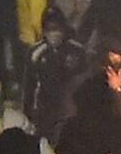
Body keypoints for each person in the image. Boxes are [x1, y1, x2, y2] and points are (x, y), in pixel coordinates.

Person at [22, 10, 87, 142]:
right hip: (44, 109)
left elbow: (85, 81)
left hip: (69, 108)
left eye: (58, 29)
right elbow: (29, 85)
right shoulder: (36, 52)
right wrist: (27, 114)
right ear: (44, 31)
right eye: (50, 29)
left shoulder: (76, 51)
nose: (55, 34)